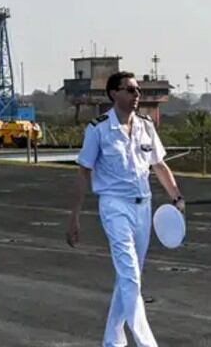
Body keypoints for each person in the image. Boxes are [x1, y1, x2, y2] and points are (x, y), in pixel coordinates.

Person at [67, 71, 184, 347]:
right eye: (130, 90)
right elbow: (84, 172)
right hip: (114, 205)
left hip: (143, 207)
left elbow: (159, 165)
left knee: (128, 277)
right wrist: (74, 216)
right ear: (113, 94)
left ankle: (113, 341)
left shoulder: (145, 125)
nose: (137, 96)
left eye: (138, 91)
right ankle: (146, 343)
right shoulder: (98, 128)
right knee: (130, 274)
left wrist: (176, 197)